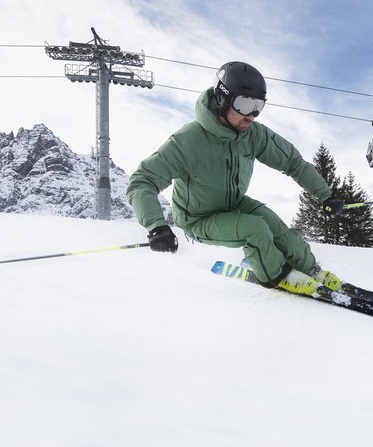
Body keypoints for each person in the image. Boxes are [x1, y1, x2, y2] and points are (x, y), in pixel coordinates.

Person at [126, 61, 344, 295]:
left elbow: (293, 162)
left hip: (233, 204)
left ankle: (310, 270)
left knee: (284, 235)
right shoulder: (188, 141)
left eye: (258, 106)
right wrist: (157, 226)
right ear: (222, 99)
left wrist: (326, 196)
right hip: (198, 219)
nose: (251, 115)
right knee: (256, 230)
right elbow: (142, 181)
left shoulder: (253, 134)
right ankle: (278, 277)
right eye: (244, 104)